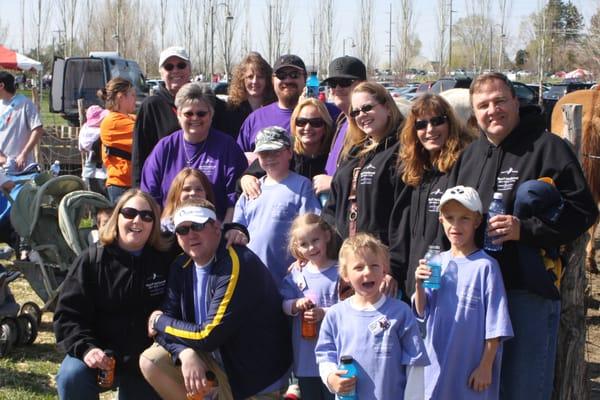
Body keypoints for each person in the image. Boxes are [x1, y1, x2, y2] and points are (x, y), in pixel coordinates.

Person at [450, 72, 598, 400]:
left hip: (525, 291)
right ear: (474, 113)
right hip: (477, 294)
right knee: (480, 388)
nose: (493, 110)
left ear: (516, 102)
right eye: (484, 105)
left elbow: (584, 210)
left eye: (500, 100)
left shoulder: (547, 148)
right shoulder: (471, 155)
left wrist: (526, 231)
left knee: (523, 390)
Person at [139, 199, 293, 399]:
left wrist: (159, 321)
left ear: (216, 227)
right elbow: (168, 320)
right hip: (215, 363)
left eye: (198, 225)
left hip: (254, 380)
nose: (191, 234)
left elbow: (208, 335)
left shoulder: (235, 262)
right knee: (151, 360)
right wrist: (184, 353)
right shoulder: (181, 264)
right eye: (182, 230)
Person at [54, 189, 171, 399]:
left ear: (154, 224)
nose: (137, 220)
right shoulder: (92, 260)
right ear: (116, 217)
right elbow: (67, 315)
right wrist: (86, 349)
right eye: (129, 213)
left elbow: (197, 236)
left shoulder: (165, 258)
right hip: (100, 353)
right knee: (72, 376)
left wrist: (233, 230)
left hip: (144, 359)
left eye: (147, 216)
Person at [413, 185, 513, 399]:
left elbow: (495, 325)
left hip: (470, 370)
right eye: (449, 218)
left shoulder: (486, 266)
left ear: (477, 221)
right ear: (441, 220)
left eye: (464, 219)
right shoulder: (437, 263)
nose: (455, 226)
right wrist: (419, 285)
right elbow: (422, 313)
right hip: (437, 367)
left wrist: (486, 366)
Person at [315, 233, 429, 400]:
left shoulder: (401, 313)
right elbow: (325, 356)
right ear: (345, 275)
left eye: (374, 266)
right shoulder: (335, 315)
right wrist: (332, 378)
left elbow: (415, 365)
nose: (367, 272)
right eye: (359, 267)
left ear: (384, 270)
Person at [321, 81, 404, 293]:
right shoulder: (355, 152)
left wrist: (393, 268)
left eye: (367, 108)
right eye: (356, 111)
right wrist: (317, 252)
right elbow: (333, 206)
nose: (361, 115)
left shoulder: (402, 150)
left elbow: (404, 215)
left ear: (386, 106)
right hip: (349, 264)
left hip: (380, 268)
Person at [395, 93, 473, 298]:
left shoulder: (463, 166)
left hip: (450, 281)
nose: (429, 130)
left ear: (450, 124)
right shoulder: (415, 172)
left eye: (437, 121)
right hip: (415, 281)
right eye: (421, 125)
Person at [141, 82, 247, 222]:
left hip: (214, 232)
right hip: (169, 233)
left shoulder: (227, 147)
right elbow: (150, 197)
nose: (195, 118)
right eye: (188, 113)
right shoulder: (164, 148)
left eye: (201, 113)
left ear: (211, 115)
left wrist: (223, 233)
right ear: (178, 115)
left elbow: (235, 199)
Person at [232, 126, 321, 287]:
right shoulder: (251, 189)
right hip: (251, 275)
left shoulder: (302, 186)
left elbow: (312, 227)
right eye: (264, 154)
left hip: (287, 277)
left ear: (289, 152)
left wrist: (304, 257)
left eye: (275, 152)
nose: (270, 158)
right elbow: (238, 226)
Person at [131, 46, 232, 186]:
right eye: (169, 67)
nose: (175, 70)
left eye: (181, 65)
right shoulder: (151, 106)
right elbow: (139, 155)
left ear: (189, 69)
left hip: (208, 185)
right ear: (161, 73)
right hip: (167, 187)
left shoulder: (210, 101)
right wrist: (139, 192)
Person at [236, 54, 340, 160]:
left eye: (294, 75)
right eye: (281, 75)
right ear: (272, 80)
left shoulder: (330, 113)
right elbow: (239, 162)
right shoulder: (255, 119)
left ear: (305, 79)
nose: (288, 80)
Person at [281, 213, 339, 400]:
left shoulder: (341, 271)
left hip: (335, 357)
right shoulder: (296, 274)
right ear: (296, 247)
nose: (311, 247)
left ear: (327, 236)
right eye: (304, 244)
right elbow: (283, 304)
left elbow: (349, 308)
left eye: (315, 240)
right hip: (306, 358)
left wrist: (324, 312)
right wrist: (296, 305)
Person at [239, 98, 334, 200]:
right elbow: (250, 174)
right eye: (301, 122)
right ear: (294, 125)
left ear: (326, 126)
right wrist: (246, 179)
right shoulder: (283, 149)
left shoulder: (334, 152)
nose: (307, 128)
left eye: (316, 122)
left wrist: (333, 182)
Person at [312, 56, 367, 198]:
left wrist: (334, 183)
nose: (337, 88)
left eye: (344, 82)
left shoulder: (370, 127)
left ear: (363, 85)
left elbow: (376, 179)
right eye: (332, 83)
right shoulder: (340, 121)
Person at [160, 167, 248, 247]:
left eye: (198, 189)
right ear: (176, 194)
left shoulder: (217, 229)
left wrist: (235, 232)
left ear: (207, 194)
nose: (193, 193)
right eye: (186, 189)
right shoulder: (163, 231)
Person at [99, 77, 137, 203]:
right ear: (121, 97)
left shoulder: (129, 118)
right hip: (121, 185)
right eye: (132, 95)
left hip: (130, 183)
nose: (135, 100)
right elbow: (146, 133)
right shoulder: (113, 121)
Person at [224, 51, 276, 137]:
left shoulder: (274, 108)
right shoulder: (231, 109)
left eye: (260, 77)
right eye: (250, 77)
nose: (255, 81)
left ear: (267, 80)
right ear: (242, 79)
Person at [0, 71, 44, 171]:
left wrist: (24, 154)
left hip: (21, 167)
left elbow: (37, 129)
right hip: (2, 168)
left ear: (1, 85)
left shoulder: (25, 103)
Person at [79, 105, 109, 196]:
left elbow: (82, 147)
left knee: (95, 197)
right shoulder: (100, 131)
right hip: (102, 169)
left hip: (90, 170)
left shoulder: (85, 129)